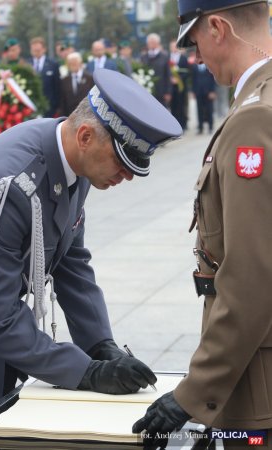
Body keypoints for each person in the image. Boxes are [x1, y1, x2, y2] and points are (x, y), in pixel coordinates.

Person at [0, 68, 182, 447]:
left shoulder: (73, 161)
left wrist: (101, 345)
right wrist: (87, 372)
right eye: (122, 162)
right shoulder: (11, 183)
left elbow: (72, 261)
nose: (128, 177)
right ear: (85, 136)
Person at [133, 0, 272, 449]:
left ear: (217, 27)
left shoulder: (254, 118)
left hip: (257, 384)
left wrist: (195, 392)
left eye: (194, 43)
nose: (195, 58)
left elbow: (251, 275)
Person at [29, 36, 61, 118]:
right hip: (31, 108)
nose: (36, 52)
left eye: (38, 50)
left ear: (44, 49)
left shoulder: (53, 64)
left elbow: (57, 87)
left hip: (49, 108)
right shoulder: (27, 64)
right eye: (34, 50)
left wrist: (57, 106)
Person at [59, 52, 94, 116]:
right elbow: (63, 101)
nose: (72, 65)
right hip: (69, 116)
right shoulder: (65, 80)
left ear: (80, 63)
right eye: (70, 63)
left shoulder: (90, 78)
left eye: (75, 63)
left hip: (86, 115)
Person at [141, 33, 171, 107]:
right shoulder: (143, 57)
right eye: (149, 42)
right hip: (148, 93)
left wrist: (168, 92)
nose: (151, 44)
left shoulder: (164, 56)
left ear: (157, 43)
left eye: (153, 42)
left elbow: (168, 75)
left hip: (161, 92)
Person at [169, 39, 190, 130]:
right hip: (171, 87)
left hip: (181, 87)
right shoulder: (168, 58)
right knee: (173, 106)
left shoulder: (183, 58)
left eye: (175, 46)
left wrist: (178, 79)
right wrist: (171, 78)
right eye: (172, 46)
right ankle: (175, 125)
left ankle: (183, 124)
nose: (173, 48)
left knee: (182, 105)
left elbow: (187, 71)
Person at [191, 62, 216, 134]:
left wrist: (212, 91)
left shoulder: (209, 64)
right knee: (199, 110)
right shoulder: (194, 66)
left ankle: (210, 127)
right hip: (198, 91)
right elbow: (193, 79)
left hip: (208, 91)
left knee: (209, 109)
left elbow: (213, 78)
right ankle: (200, 127)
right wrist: (193, 91)